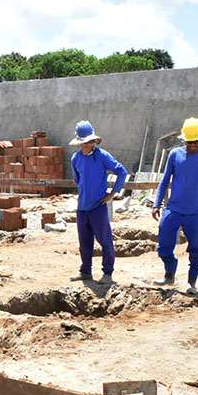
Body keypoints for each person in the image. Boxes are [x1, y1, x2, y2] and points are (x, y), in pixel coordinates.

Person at [151, 117, 198, 294]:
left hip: (196, 212)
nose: (192, 145)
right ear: (183, 140)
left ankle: (192, 282)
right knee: (163, 244)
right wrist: (157, 203)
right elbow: (164, 180)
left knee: (197, 249)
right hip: (174, 209)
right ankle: (169, 273)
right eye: (189, 142)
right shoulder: (174, 155)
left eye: (195, 142)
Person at [69, 121, 128, 283]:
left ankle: (108, 273)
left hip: (98, 207)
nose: (88, 144)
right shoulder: (76, 159)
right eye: (85, 142)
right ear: (80, 143)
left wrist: (112, 194)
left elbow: (122, 172)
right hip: (82, 208)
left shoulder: (102, 156)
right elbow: (78, 180)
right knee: (84, 242)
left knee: (105, 240)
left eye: (90, 141)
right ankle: (85, 271)